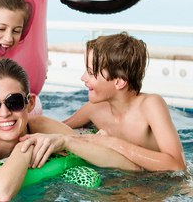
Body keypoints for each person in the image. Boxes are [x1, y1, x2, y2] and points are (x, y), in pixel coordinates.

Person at [0, 58, 139, 201]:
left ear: (29, 103)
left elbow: (129, 167)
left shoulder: (40, 126)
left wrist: (66, 141)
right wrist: (27, 147)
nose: (3, 113)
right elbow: (0, 192)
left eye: (13, 102)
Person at [62, 32, 187, 172]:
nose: (83, 77)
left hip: (160, 184)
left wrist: (112, 143)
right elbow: (60, 129)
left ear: (119, 82)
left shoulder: (150, 106)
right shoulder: (94, 109)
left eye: (91, 73)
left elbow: (177, 165)